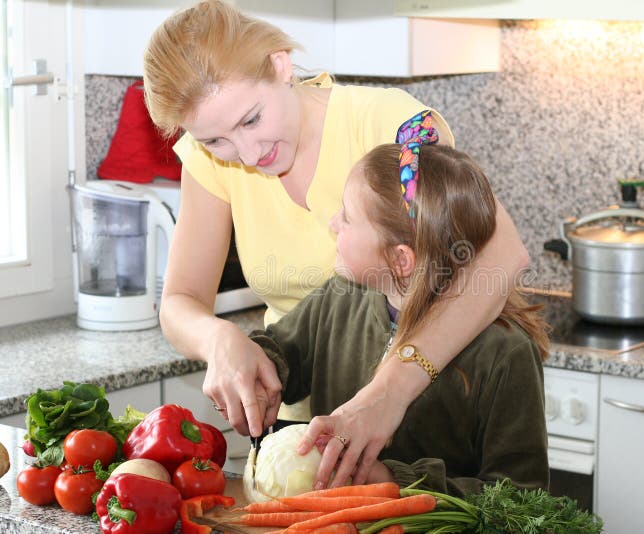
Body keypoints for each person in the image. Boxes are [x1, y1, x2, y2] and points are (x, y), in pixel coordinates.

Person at [142, 0, 530, 488]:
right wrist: (220, 340)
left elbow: (501, 255)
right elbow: (180, 302)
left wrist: (385, 395)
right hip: (300, 437)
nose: (246, 154)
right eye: (214, 140)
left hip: (415, 416)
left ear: (280, 65)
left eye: (251, 119)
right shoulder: (209, 162)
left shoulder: (392, 123)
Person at [250, 131, 550, 496]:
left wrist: (393, 484)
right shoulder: (340, 297)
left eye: (347, 217)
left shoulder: (504, 354)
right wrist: (254, 366)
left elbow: (523, 496)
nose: (332, 223)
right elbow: (281, 353)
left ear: (400, 259)